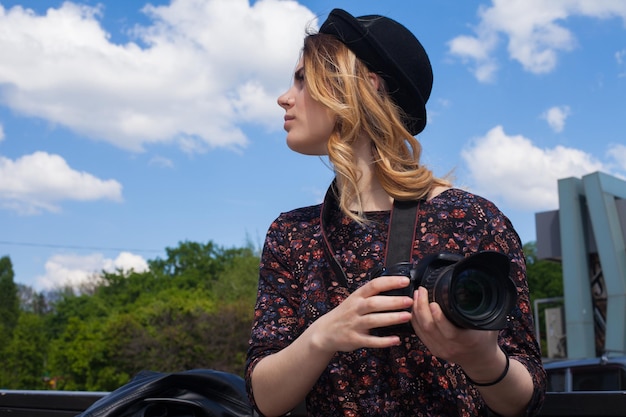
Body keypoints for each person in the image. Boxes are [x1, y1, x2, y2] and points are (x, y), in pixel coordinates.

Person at [245, 8, 546, 417]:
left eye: (302, 79)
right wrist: (323, 334)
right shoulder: (292, 233)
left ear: (361, 88)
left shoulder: (471, 218)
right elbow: (263, 398)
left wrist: (480, 359)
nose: (284, 97)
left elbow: (526, 397)